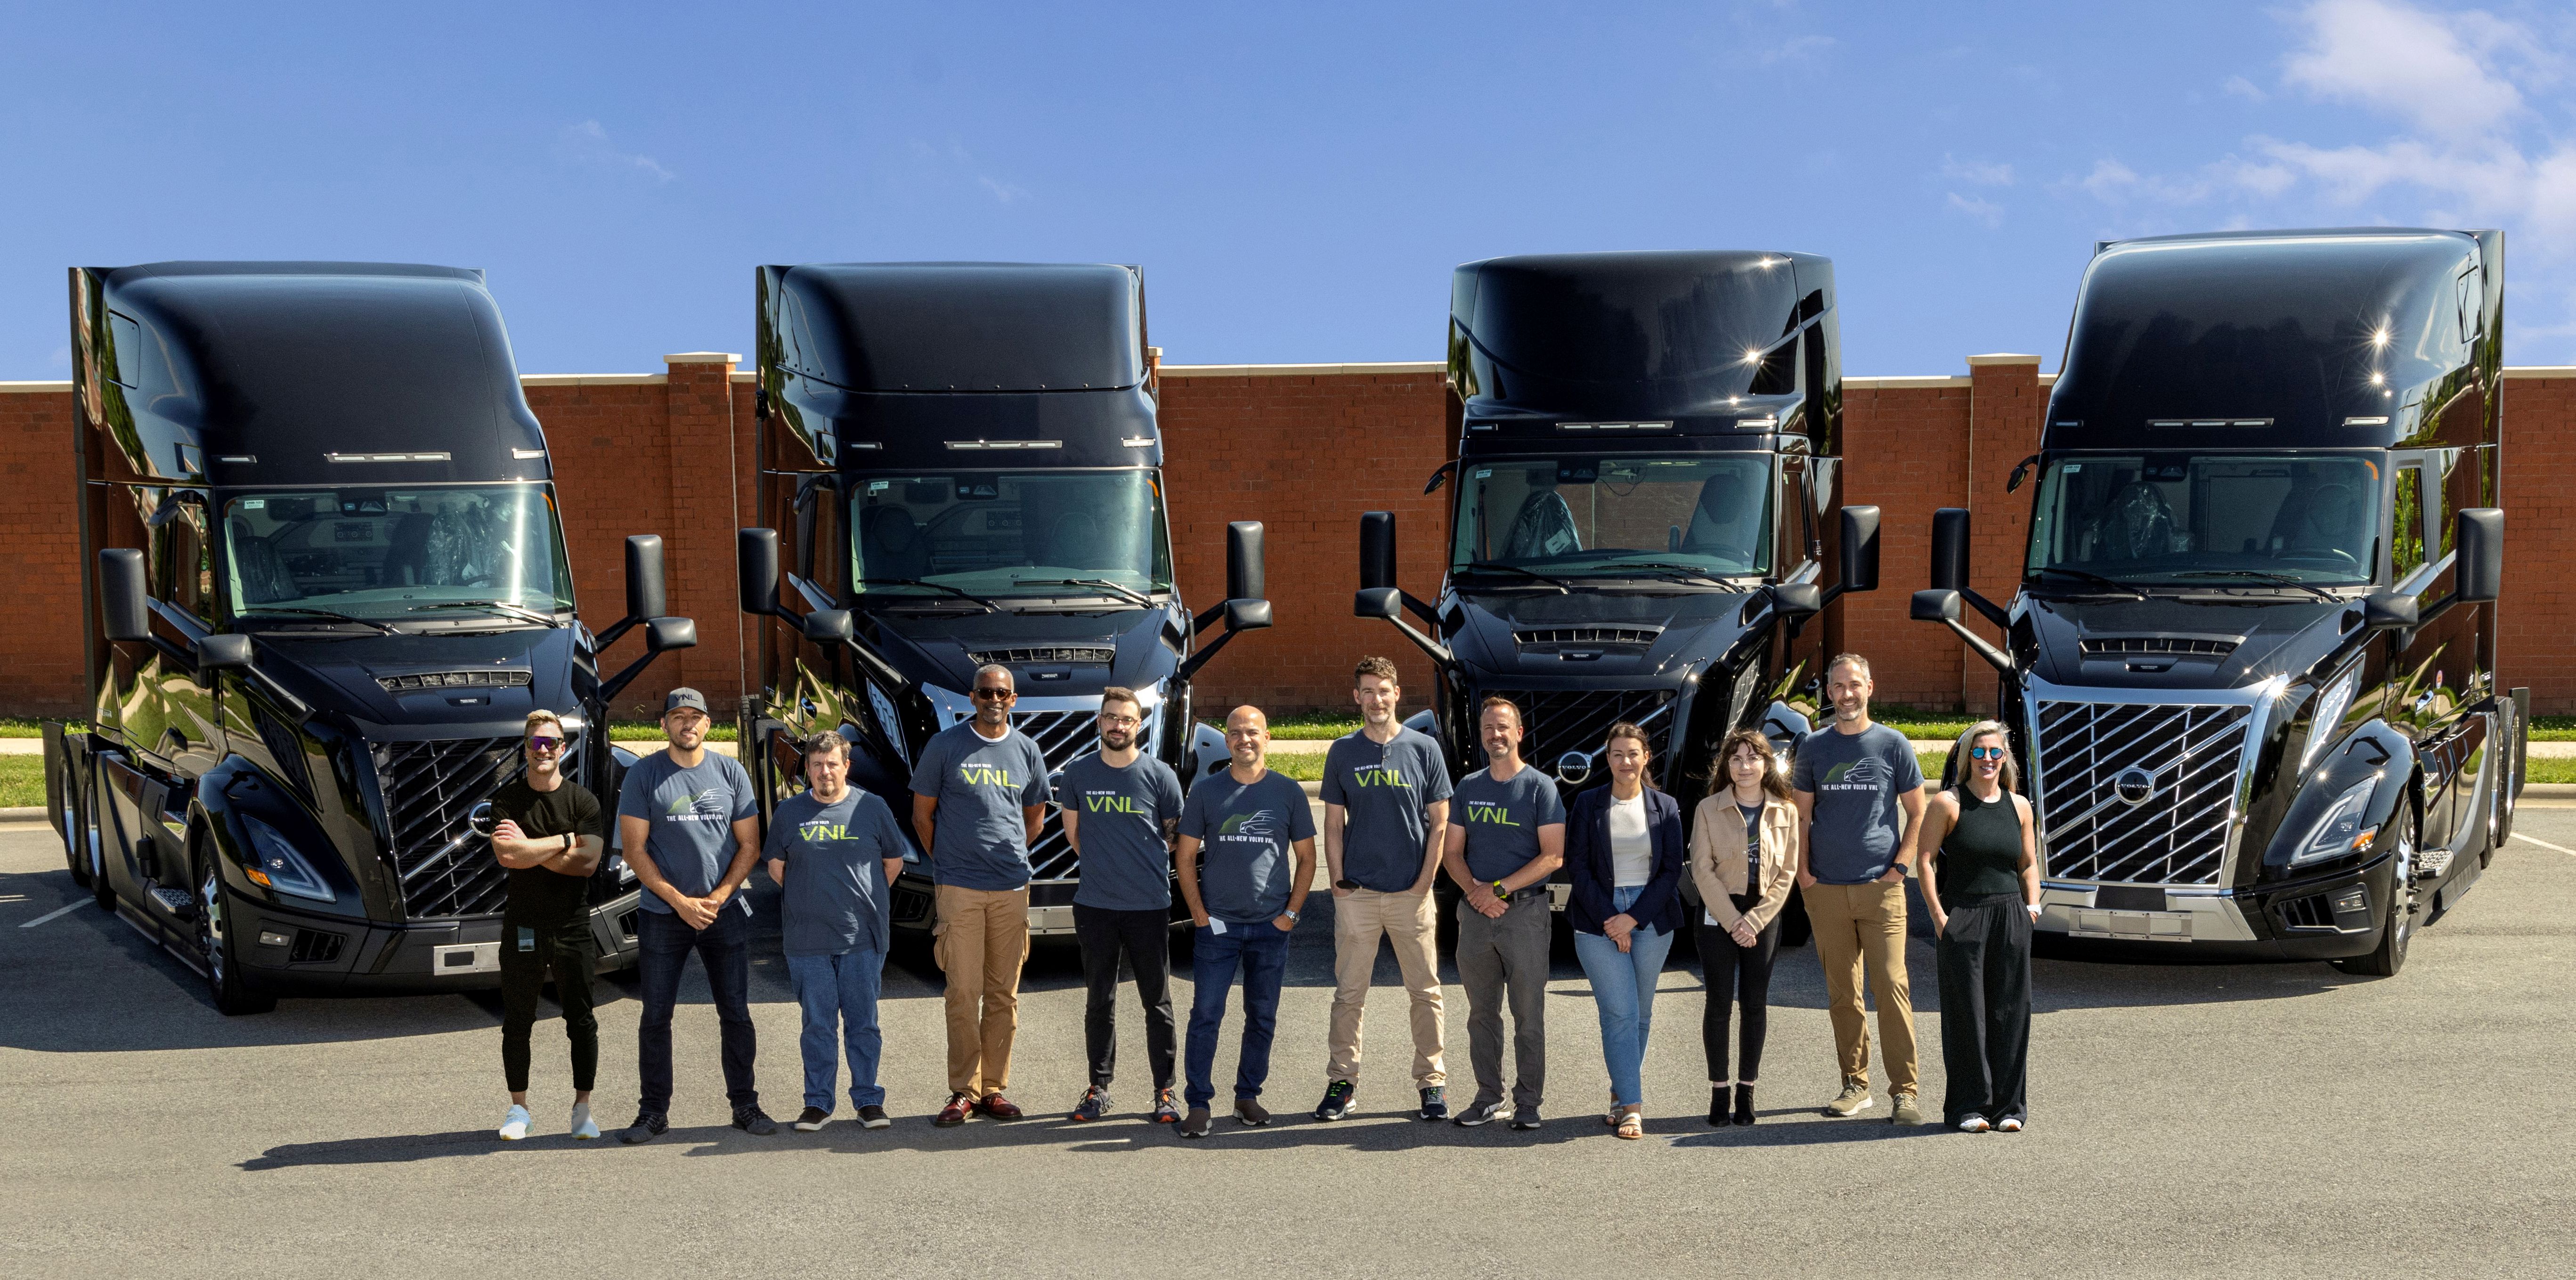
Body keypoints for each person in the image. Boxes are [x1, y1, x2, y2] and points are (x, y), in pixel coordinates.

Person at [617, 688, 771, 1143]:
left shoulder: (731, 771)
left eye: (696, 717)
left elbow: (750, 845)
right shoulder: (644, 775)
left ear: (708, 725)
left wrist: (719, 896)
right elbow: (634, 849)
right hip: (662, 915)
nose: (688, 724)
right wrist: (679, 901)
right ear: (663, 724)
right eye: (678, 716)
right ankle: (652, 1112)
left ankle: (745, 1104)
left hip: (722, 912)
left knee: (736, 1013)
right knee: (656, 1016)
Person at [909, 663, 1051, 1126]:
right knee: (962, 991)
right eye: (986, 691)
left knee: (1003, 995)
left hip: (1011, 887)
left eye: (1003, 693)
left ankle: (994, 1089)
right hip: (960, 888)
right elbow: (922, 816)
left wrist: (1005, 856)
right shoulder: (945, 746)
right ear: (972, 697)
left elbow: (1034, 818)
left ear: (1013, 699)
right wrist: (948, 862)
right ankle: (964, 1090)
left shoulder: (1027, 750)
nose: (994, 699)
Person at [1792, 653, 1928, 1125]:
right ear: (1828, 692)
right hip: (1825, 889)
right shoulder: (1813, 747)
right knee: (1843, 993)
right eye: (1837, 686)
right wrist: (1804, 875)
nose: (1846, 694)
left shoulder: (1892, 743)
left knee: (1891, 986)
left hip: (1881, 888)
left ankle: (1904, 1091)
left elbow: (1918, 808)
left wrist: (1901, 866)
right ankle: (1856, 1084)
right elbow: (1801, 816)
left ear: (1870, 686)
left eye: (1854, 685)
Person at [1316, 656, 1453, 1123]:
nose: (1377, 698)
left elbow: (1440, 824)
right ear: (1357, 697)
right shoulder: (1342, 752)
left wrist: (1423, 882)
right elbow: (1333, 824)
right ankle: (1342, 1082)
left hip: (1411, 893)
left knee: (1426, 992)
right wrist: (1337, 882)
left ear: (1398, 693)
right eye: (1368, 691)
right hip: (1358, 892)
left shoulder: (1424, 749)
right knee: (1349, 994)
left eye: (1384, 690)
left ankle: (1432, 1081)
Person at [1174, 706, 1316, 1139]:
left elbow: (1308, 858)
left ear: (1267, 737)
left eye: (1251, 732)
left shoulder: (1288, 791)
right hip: (1217, 927)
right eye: (1234, 733)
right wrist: (1199, 914)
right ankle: (1198, 1103)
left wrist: (1289, 915)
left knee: (1262, 1016)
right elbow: (1183, 856)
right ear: (1227, 741)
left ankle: (1247, 1096)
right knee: (1206, 1014)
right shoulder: (1207, 793)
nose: (1243, 740)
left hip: (1270, 929)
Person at [765, 731, 910, 1133]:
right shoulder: (788, 812)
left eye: (832, 763)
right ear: (806, 768)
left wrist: (860, 902)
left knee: (864, 1022)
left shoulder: (873, 808)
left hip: (861, 938)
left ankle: (867, 1100)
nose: (824, 771)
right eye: (816, 764)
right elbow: (777, 870)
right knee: (817, 1025)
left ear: (847, 766)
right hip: (807, 940)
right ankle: (818, 1103)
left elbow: (892, 863)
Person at [1057, 686, 1187, 1124]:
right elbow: (1074, 837)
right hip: (1094, 905)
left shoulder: (1159, 775)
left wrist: (1135, 866)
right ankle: (1099, 1087)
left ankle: (1165, 1090)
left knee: (1158, 1002)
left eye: (1127, 719)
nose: (1118, 725)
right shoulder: (1078, 774)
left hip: (1148, 905)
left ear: (1139, 725)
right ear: (1100, 722)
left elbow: (1172, 838)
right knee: (1100, 1000)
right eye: (1111, 717)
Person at [1441, 696, 1565, 1130]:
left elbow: (1552, 857)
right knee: (1481, 1013)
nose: (1496, 734)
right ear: (1482, 735)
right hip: (1475, 914)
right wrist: (1475, 892)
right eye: (1488, 728)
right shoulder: (1468, 787)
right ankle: (1487, 1096)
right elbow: (1451, 852)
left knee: (1528, 1013)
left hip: (1525, 913)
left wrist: (1496, 889)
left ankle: (1528, 1101)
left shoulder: (1539, 787)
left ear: (1518, 733)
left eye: (1503, 727)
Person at [1914, 722, 2040, 1134]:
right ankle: (1968, 1106)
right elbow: (1926, 860)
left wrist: (2032, 906)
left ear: (2005, 759)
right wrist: (1938, 916)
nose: (1988, 759)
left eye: (1996, 752)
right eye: (1979, 752)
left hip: (2010, 915)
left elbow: (2027, 863)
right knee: (1966, 1013)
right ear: (1966, 755)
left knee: (2010, 1012)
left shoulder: (2019, 805)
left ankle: (2009, 1108)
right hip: (1963, 914)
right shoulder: (1948, 803)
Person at [487, 709, 606, 1141]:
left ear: (563, 748)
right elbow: (508, 857)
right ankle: (519, 1110)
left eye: (551, 742)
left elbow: (588, 863)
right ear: (525, 748)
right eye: (536, 742)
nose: (543, 750)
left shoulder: (583, 801)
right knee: (518, 1020)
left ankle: (582, 1110)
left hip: (573, 925)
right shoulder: (507, 801)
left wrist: (531, 847)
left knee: (582, 1020)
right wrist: (563, 840)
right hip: (523, 925)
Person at [1564, 722, 1685, 1140]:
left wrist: (1632, 918)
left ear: (1645, 757)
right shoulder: (1587, 803)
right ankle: (1632, 1109)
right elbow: (1576, 866)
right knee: (1620, 1013)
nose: (1625, 761)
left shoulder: (1665, 806)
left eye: (1632, 753)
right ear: (1608, 758)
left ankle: (1620, 1092)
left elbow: (1672, 870)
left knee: (1641, 1012)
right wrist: (1610, 919)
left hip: (1651, 917)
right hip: (1596, 915)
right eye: (1616, 754)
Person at [1687, 728, 1799, 1128]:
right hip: (1718, 913)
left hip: (1763, 915)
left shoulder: (1785, 810)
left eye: (1753, 758)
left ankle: (1746, 1090)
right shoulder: (1708, 808)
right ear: (1727, 766)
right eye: (1736, 758)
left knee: (1754, 1003)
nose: (1744, 766)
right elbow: (1701, 868)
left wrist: (1753, 920)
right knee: (1718, 1003)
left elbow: (1786, 873)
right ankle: (1719, 1089)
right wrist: (1733, 919)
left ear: (1767, 764)